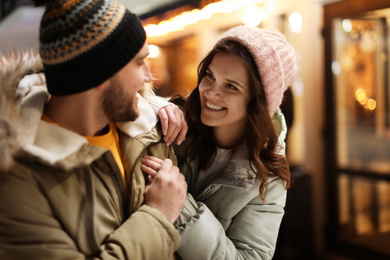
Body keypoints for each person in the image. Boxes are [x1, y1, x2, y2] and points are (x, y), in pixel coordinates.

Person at [0, 0, 188, 259]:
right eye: (139, 63)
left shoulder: (147, 132)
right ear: (100, 75)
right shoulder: (16, 181)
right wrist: (158, 215)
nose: (148, 76)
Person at [141, 25, 298, 259]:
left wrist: (180, 206)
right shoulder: (173, 124)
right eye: (210, 76)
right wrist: (155, 105)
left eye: (231, 86)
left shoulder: (267, 179)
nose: (210, 93)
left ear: (257, 102)